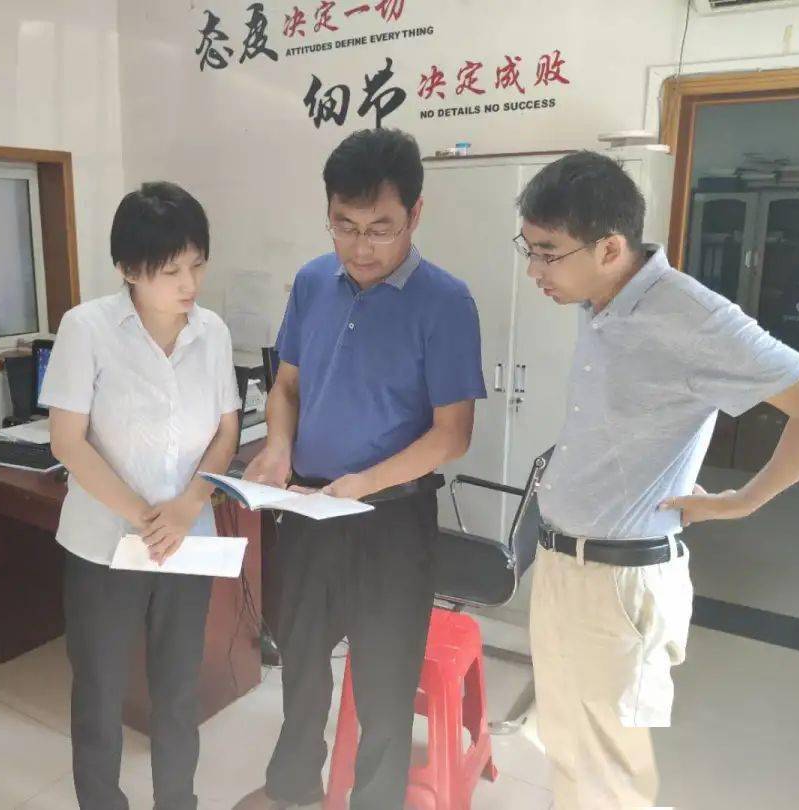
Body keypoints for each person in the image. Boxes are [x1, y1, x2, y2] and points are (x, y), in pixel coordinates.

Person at [514, 151, 799, 809]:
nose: (534, 271)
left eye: (548, 254)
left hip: (619, 582)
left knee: (609, 775)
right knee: (569, 750)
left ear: (610, 248)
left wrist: (744, 500)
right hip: (562, 566)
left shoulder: (694, 317)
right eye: (529, 250)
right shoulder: (599, 300)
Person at [234, 128, 487, 810]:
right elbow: (287, 386)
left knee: (384, 678)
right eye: (344, 226)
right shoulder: (313, 281)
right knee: (300, 661)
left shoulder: (446, 302)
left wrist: (364, 485)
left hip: (393, 519)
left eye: (380, 229)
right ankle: (292, 789)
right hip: (310, 507)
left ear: (415, 214)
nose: (360, 247)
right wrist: (278, 447)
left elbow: (453, 434)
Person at [40, 181, 242, 810]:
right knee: (99, 692)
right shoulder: (87, 328)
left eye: (197, 265)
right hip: (105, 545)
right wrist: (148, 517)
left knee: (178, 692)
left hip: (187, 544)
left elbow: (228, 430)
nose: (190, 283)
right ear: (129, 269)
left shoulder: (213, 332)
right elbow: (67, 441)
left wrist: (188, 506)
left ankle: (177, 801)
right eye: (171, 270)